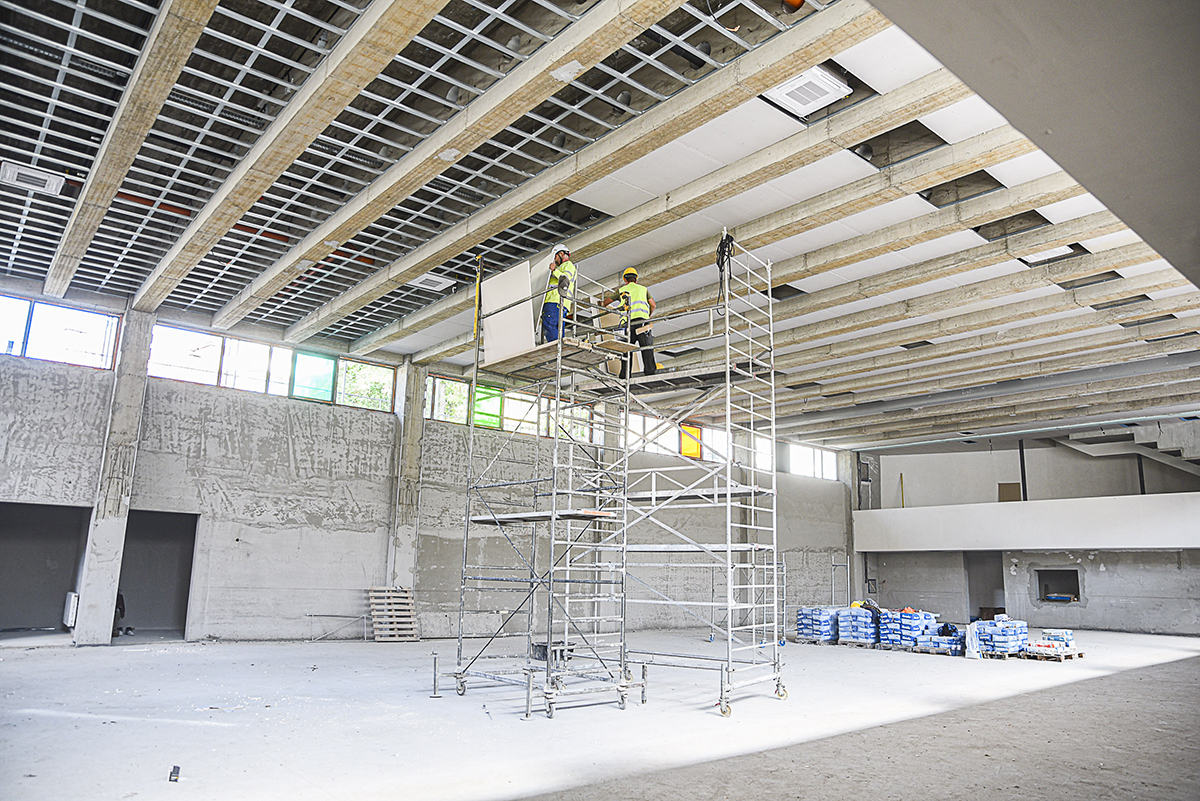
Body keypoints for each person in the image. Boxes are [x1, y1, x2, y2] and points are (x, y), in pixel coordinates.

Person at [602, 266, 656, 378]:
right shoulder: (643, 289)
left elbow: (604, 303)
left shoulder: (621, 291)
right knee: (646, 348)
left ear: (625, 280)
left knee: (626, 350)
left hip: (627, 325)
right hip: (642, 323)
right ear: (636, 279)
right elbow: (653, 305)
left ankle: (625, 375)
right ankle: (650, 372)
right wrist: (648, 316)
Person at [541, 243, 577, 343]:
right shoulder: (562, 267)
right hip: (559, 303)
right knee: (558, 331)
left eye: (555, 257)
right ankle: (561, 348)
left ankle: (557, 347)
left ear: (561, 254)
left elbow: (565, 279)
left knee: (549, 324)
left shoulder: (568, 265)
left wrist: (554, 270)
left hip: (555, 301)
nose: (555, 260)